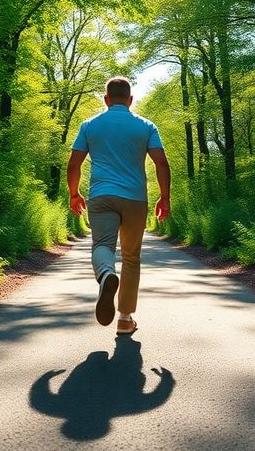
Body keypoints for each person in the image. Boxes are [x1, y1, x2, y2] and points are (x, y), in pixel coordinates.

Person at [66, 76, 171, 335]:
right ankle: (125, 318)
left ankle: (105, 275)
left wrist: (74, 194)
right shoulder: (146, 126)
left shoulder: (90, 125)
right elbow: (161, 163)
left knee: (102, 246)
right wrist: (165, 197)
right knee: (131, 257)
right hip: (135, 198)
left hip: (102, 197)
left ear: (106, 99)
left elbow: (74, 164)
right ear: (131, 100)